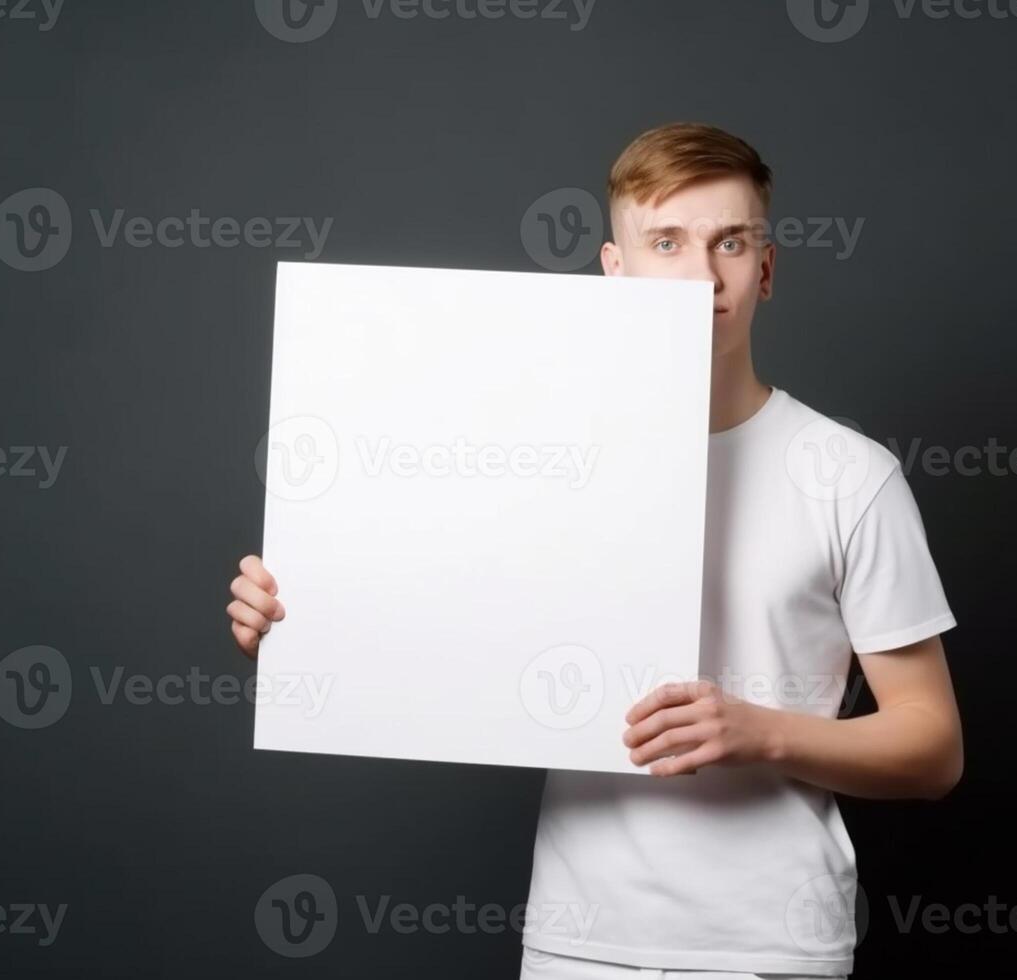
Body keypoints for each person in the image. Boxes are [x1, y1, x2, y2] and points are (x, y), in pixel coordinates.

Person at [227, 122, 963, 979]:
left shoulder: (847, 476)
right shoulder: (538, 460)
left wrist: (760, 731)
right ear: (616, 274)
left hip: (771, 947)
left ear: (765, 269)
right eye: (665, 242)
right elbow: (437, 626)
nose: (700, 276)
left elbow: (932, 745)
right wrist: (294, 628)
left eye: (730, 242)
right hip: (578, 941)